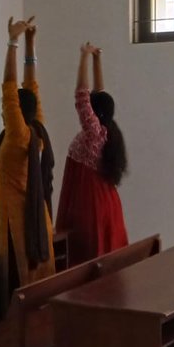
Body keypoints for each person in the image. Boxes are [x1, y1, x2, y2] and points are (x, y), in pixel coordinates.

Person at [0, 17, 56, 304]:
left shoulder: (18, 135)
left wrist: (13, 42)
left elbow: (10, 89)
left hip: (18, 227)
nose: (3, 112)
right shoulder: (36, 129)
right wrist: (31, 42)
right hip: (39, 221)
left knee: (20, 294)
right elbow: (32, 87)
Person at [54, 43, 128, 265]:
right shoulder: (106, 129)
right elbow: (99, 95)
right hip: (104, 199)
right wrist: (97, 60)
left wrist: (84, 57)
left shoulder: (93, 132)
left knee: (88, 255)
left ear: (93, 112)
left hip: (90, 202)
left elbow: (82, 96)